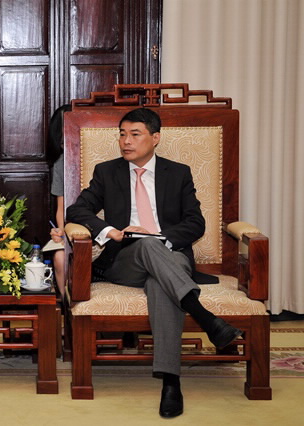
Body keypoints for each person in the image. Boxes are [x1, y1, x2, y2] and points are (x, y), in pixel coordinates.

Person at [66, 107, 242, 418]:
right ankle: (205, 317)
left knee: (159, 281)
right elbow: (77, 211)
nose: (126, 141)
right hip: (125, 260)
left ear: (155, 138)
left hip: (169, 256)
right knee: (145, 247)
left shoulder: (178, 173)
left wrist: (160, 237)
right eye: (122, 134)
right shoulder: (107, 172)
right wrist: (111, 232)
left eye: (135, 134)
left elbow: (195, 223)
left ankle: (171, 383)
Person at [47, 104, 71, 295]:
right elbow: (60, 206)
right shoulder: (61, 163)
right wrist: (61, 231)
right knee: (60, 257)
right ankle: (65, 305)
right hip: (73, 226)